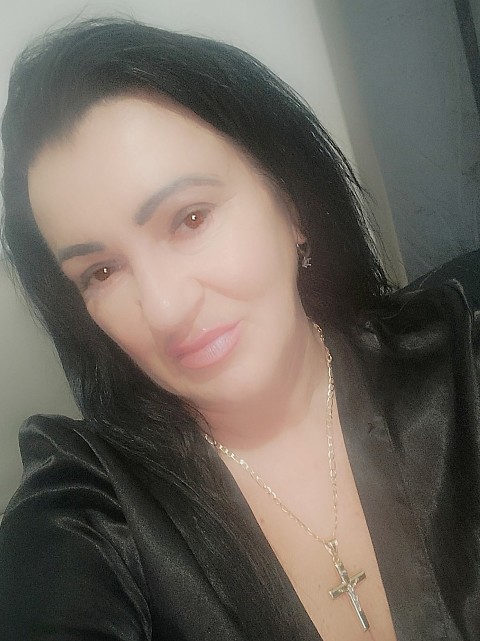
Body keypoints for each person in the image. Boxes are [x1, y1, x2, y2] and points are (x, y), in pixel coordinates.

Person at [0, 18, 478, 641]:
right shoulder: (89, 503)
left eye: (190, 218)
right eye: (102, 271)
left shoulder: (461, 363)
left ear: (292, 204)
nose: (165, 309)